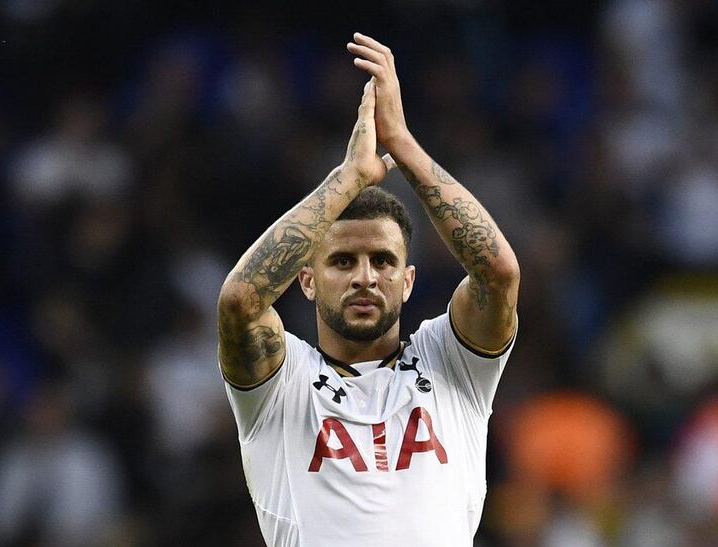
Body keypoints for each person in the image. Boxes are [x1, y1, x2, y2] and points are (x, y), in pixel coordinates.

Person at [217, 33, 520, 547]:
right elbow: (240, 302)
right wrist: (350, 178)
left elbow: (498, 272)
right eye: (342, 261)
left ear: (407, 282)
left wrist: (401, 143)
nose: (364, 277)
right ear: (306, 280)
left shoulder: (451, 364)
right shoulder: (281, 383)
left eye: (382, 261)